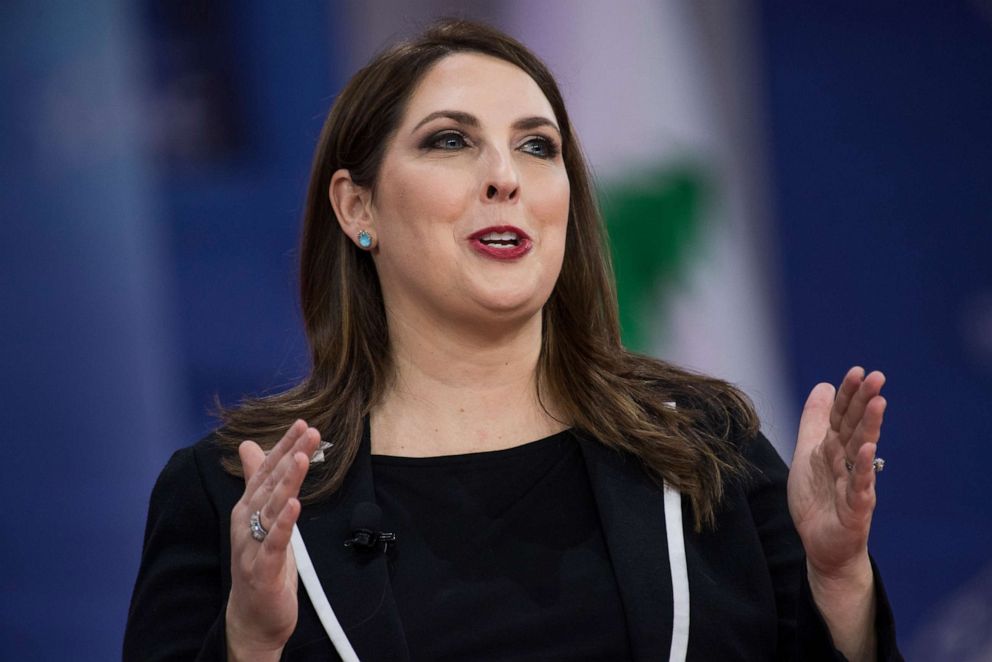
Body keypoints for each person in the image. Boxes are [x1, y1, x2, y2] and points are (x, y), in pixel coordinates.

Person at [124, 18, 901, 662]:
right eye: (450, 142)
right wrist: (248, 643)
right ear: (357, 207)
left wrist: (840, 586)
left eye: (538, 146)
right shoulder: (231, 494)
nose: (506, 177)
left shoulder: (701, 451)